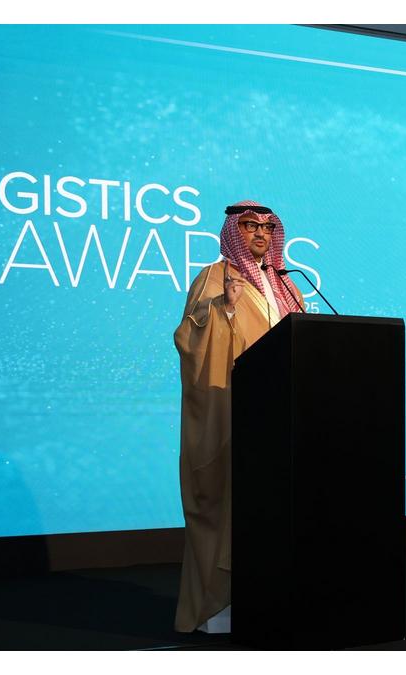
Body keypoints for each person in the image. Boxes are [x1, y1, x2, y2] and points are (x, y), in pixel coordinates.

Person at [173, 200, 305, 633]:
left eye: (267, 228)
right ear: (234, 231)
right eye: (250, 226)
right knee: (228, 502)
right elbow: (191, 339)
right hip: (235, 411)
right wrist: (224, 309)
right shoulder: (215, 277)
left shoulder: (286, 286)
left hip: (279, 416)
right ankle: (217, 606)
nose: (260, 234)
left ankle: (275, 596)